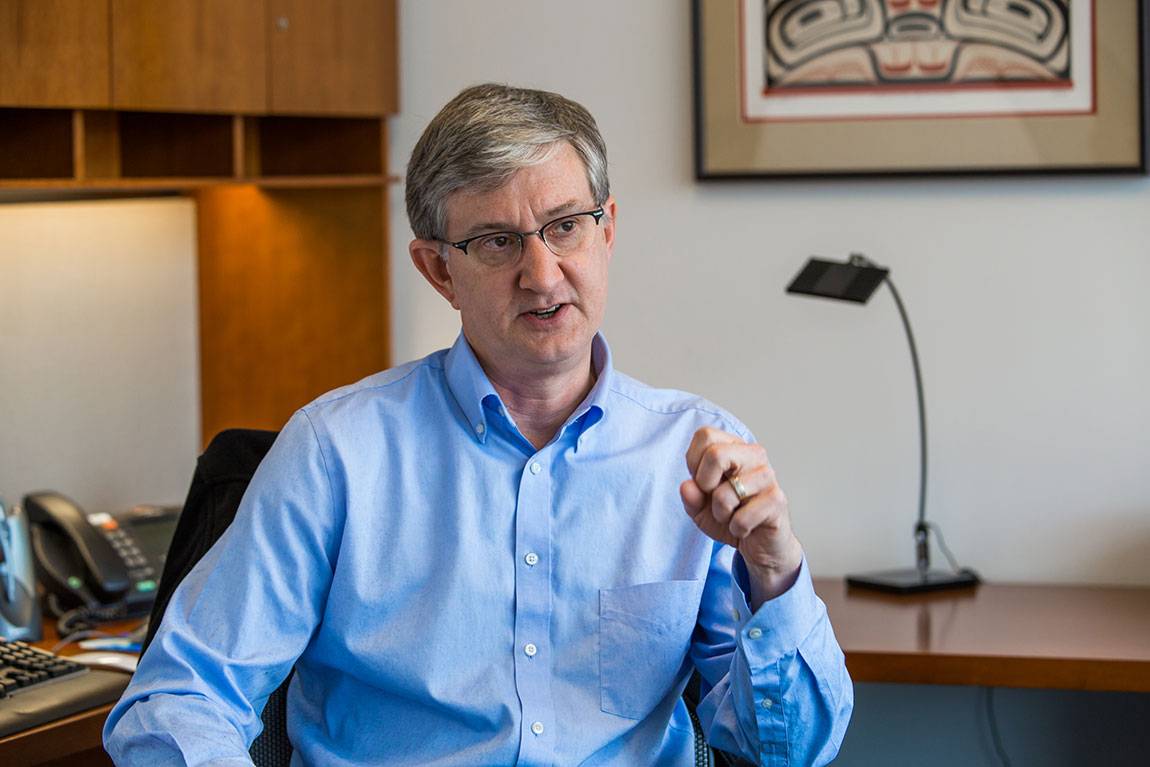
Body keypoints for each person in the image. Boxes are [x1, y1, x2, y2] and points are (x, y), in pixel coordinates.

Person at [104, 83, 852, 766]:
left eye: (565, 227)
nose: (543, 273)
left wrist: (775, 570)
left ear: (608, 229)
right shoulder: (337, 453)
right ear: (437, 270)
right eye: (498, 242)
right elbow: (178, 698)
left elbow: (790, 752)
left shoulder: (691, 455)